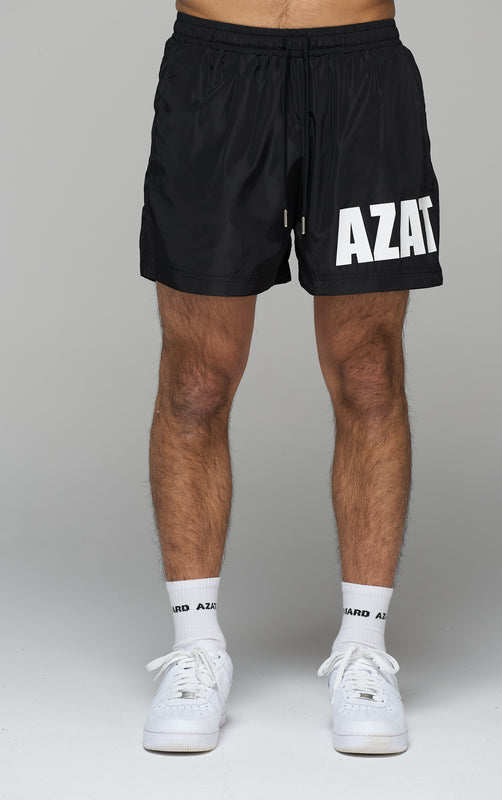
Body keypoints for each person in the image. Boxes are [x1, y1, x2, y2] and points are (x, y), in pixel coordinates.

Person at [139, 0, 442, 755]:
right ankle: (195, 647)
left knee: (369, 372)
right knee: (195, 379)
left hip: (361, 73)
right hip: (214, 73)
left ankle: (365, 648)